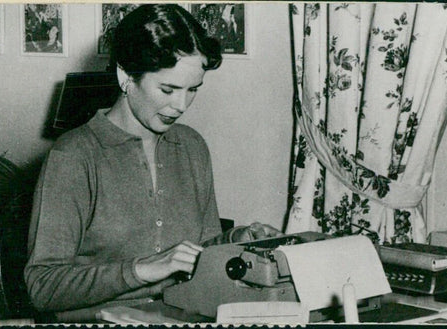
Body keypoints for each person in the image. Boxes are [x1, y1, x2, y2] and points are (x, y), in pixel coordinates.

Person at [24, 4, 280, 322]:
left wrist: (234, 241)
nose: (181, 105)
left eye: (193, 90)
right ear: (126, 76)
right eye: (168, 89)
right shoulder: (75, 156)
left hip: (183, 315)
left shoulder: (191, 147)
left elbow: (200, 252)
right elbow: (42, 287)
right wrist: (142, 270)